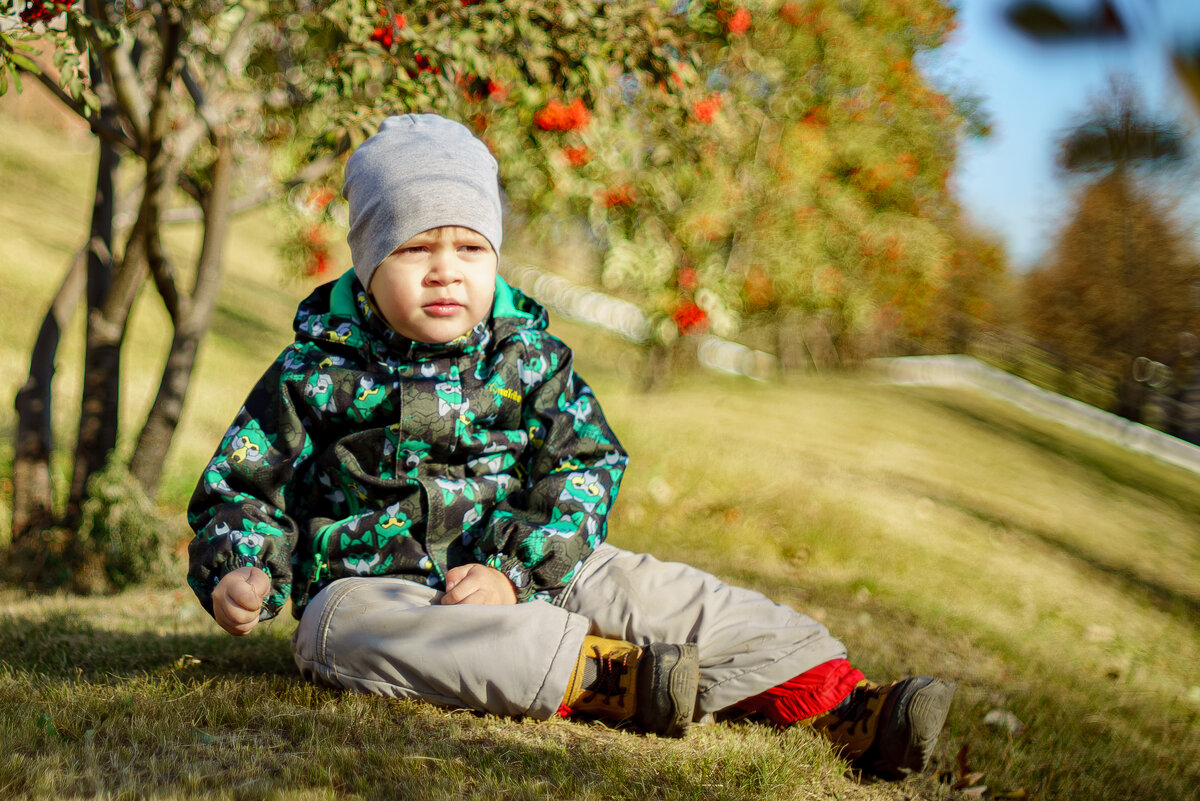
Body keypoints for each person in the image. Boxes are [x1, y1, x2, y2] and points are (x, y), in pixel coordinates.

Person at [187, 113, 955, 774]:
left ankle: (839, 700)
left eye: (470, 248)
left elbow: (585, 462)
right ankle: (605, 676)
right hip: (389, 588)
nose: (446, 272)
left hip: (536, 565)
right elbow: (244, 482)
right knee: (333, 628)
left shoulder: (527, 356)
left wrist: (514, 567)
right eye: (416, 249)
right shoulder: (315, 369)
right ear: (366, 260)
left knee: (662, 592)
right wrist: (241, 567)